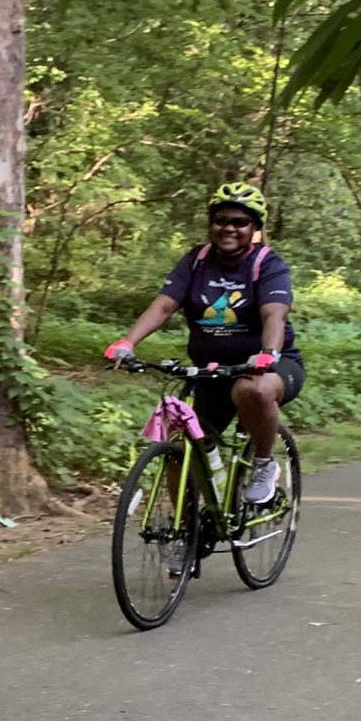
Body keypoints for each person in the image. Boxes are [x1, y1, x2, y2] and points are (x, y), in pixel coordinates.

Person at [104, 181, 302, 506]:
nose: (229, 228)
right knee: (179, 452)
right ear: (211, 224)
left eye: (240, 222)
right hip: (209, 373)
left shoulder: (268, 264)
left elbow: (273, 315)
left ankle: (264, 464)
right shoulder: (196, 260)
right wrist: (127, 342)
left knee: (252, 390)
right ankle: (186, 536)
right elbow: (165, 305)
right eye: (221, 220)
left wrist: (267, 354)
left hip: (268, 366)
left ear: (254, 227)